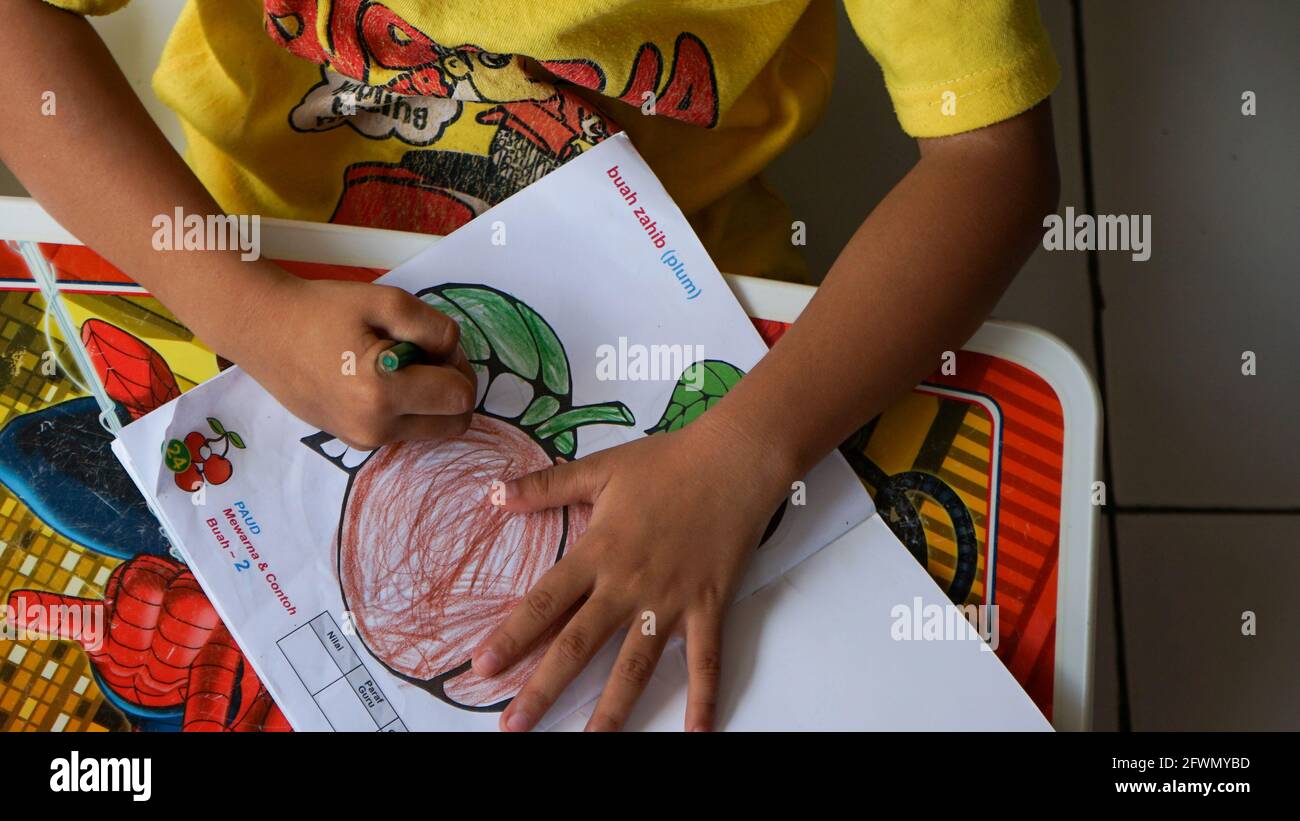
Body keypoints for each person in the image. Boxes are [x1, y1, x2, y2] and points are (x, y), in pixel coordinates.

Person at [0, 0, 1060, 732]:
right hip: (253, 266)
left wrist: (747, 448)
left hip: (682, 331)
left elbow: (993, 159)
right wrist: (243, 307)